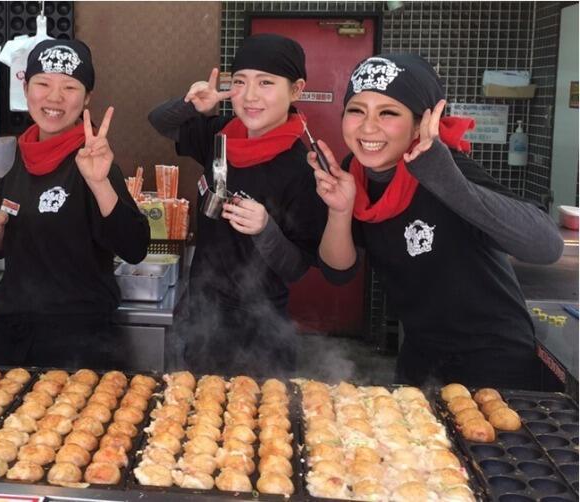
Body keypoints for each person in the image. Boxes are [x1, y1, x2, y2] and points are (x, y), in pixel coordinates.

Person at [309, 53, 564, 389]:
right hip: (420, 356)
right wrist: (340, 211)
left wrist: (446, 180)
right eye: (357, 110)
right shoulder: (353, 172)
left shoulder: (445, 167)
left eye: (388, 113)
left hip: (495, 361)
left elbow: (546, 245)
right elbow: (337, 272)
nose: (368, 127)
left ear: (420, 122)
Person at [149, 34, 356, 376]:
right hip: (199, 317)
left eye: (266, 82)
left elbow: (297, 268)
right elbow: (159, 121)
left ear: (296, 89)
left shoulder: (303, 169)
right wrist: (193, 105)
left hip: (260, 330)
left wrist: (265, 230)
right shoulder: (220, 136)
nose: (250, 95)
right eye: (240, 82)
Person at [0, 39, 150, 368]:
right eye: (43, 83)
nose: (54, 97)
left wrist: (99, 183)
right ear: (26, 89)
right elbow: (2, 246)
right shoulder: (9, 158)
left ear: (86, 98)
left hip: (81, 339)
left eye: (69, 87)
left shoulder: (93, 159)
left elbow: (134, 246)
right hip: (9, 332)